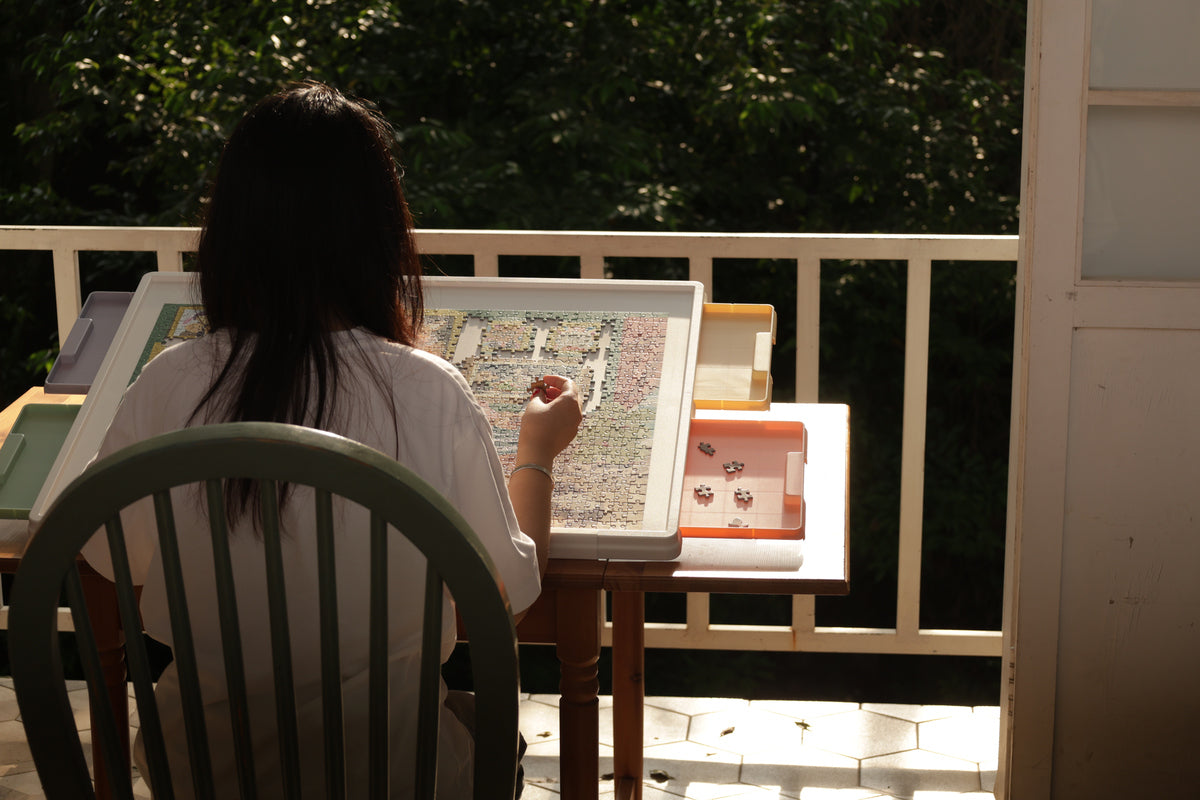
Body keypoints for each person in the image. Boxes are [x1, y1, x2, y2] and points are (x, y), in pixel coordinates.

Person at [81, 81, 582, 799]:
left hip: (206, 778)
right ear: (381, 234)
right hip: (394, 778)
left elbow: (109, 552)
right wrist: (535, 454)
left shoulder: (169, 383)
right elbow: (507, 598)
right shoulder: (425, 391)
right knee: (485, 730)